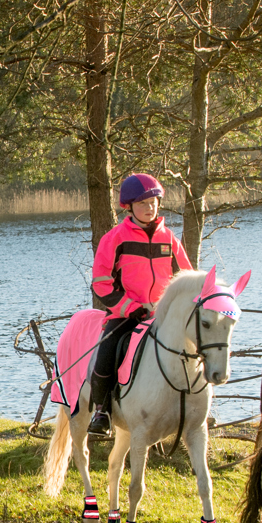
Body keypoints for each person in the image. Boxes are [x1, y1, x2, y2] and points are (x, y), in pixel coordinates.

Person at [86, 172, 191, 439]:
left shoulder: (170, 240)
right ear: (129, 206)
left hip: (163, 317)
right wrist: (129, 307)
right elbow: (101, 284)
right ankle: (102, 412)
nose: (150, 207)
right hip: (127, 315)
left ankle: (191, 407)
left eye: (154, 201)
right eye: (143, 203)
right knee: (108, 351)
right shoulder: (114, 238)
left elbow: (187, 279)